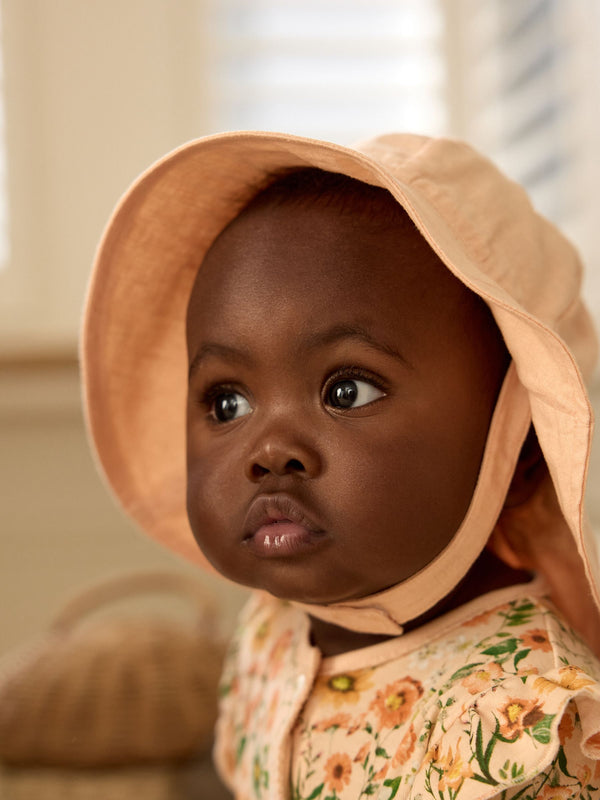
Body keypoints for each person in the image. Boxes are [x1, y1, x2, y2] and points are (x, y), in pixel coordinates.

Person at [82, 132, 600, 799]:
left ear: (521, 445)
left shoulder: (532, 723)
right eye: (227, 401)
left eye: (346, 391)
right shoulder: (273, 630)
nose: (269, 451)